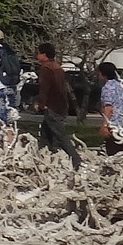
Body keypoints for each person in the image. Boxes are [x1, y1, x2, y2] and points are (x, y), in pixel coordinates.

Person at [33, 42, 82, 172]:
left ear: (44, 55)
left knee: (60, 135)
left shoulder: (46, 68)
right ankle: (43, 157)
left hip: (52, 106)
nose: (37, 56)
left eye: (39, 53)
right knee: (45, 133)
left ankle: (75, 159)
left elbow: (45, 88)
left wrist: (41, 104)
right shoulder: (57, 67)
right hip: (60, 105)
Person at [97, 63, 123, 155]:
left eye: (99, 74)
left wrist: (104, 126)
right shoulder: (120, 86)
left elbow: (108, 108)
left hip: (115, 126)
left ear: (103, 74)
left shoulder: (107, 88)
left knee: (113, 153)